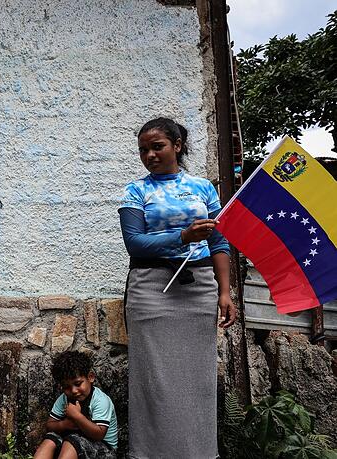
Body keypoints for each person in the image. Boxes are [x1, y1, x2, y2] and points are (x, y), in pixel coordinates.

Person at [118, 117, 237, 458]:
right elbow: (135, 245)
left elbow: (220, 242)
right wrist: (182, 236)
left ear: (178, 146)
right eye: (144, 150)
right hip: (150, 288)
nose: (150, 155)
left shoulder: (203, 188)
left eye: (158, 146)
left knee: (197, 382)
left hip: (198, 288)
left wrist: (224, 292)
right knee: (153, 382)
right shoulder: (136, 190)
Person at [33, 352, 117, 459]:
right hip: (74, 443)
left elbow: (99, 434)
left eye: (78, 384)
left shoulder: (100, 400)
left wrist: (76, 416)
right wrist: (64, 424)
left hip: (104, 449)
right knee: (50, 439)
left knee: (73, 442)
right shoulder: (64, 399)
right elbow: (50, 425)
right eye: (66, 387)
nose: (73, 391)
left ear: (90, 377)